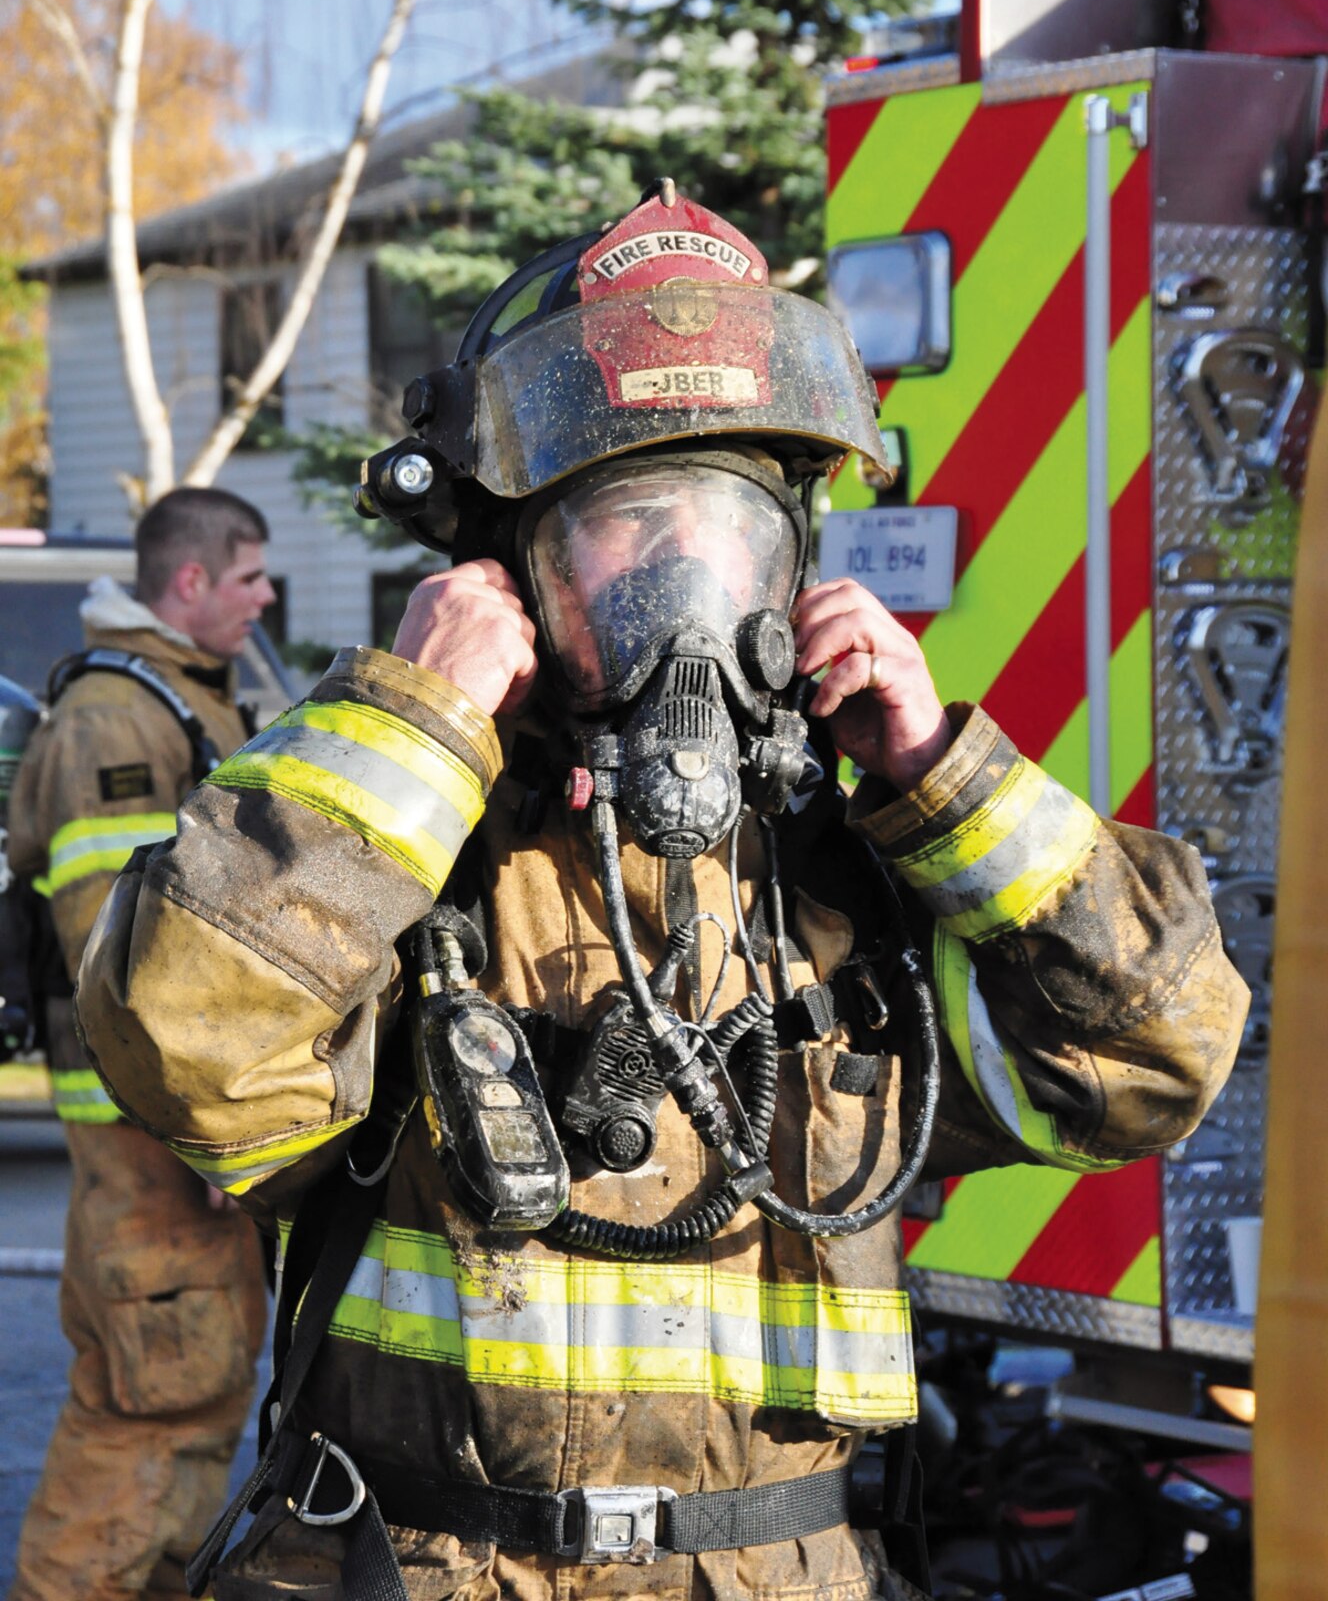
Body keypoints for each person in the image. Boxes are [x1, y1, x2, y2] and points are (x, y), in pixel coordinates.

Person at [76, 190, 1247, 1601]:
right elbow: (183, 1040)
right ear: (510, 566)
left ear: (793, 570)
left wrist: (943, 776)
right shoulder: (393, 851)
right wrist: (413, 729)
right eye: (628, 528)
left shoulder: (846, 888)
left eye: (724, 529)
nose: (683, 580)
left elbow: (1157, 1050)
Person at [9, 487, 277, 1601]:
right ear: (190, 582)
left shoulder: (184, 702)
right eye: (251, 574)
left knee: (198, 1395)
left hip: (173, 1135)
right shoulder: (116, 721)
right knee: (141, 1407)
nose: (266, 594)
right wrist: (207, 1127)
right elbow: (126, 963)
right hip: (152, 1138)